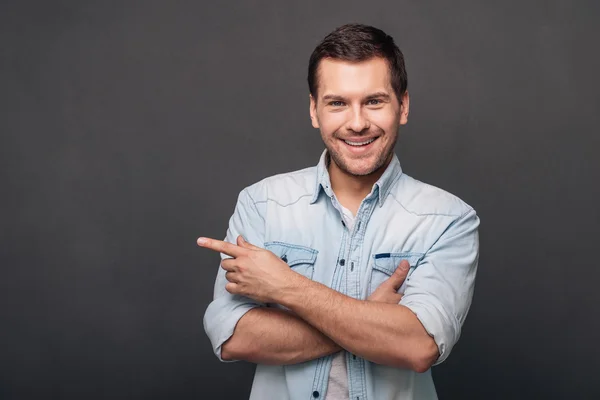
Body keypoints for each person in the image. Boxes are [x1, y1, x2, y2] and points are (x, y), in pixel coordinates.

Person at [198, 23, 480, 400]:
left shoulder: (449, 219)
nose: (357, 122)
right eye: (337, 103)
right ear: (314, 110)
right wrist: (371, 321)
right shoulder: (262, 204)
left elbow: (418, 346)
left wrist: (284, 286)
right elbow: (233, 336)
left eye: (374, 101)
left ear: (404, 106)